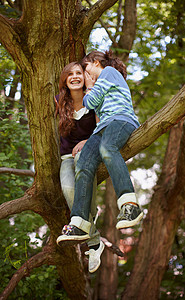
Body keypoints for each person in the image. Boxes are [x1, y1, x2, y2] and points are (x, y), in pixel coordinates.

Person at [57, 50, 143, 244]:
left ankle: (130, 205)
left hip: (121, 120)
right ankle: (79, 222)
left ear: (95, 63)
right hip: (103, 128)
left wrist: (89, 86)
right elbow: (92, 104)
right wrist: (91, 88)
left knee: (107, 149)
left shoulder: (108, 72)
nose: (86, 74)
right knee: (83, 164)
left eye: (85, 68)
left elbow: (90, 101)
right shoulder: (99, 83)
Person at [55, 62, 104, 273]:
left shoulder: (92, 99)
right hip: (66, 156)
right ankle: (94, 239)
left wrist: (87, 142)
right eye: (70, 74)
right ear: (65, 80)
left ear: (84, 77)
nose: (75, 77)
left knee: (80, 160)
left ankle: (88, 235)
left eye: (79, 73)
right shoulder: (59, 101)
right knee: (67, 188)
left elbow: (103, 126)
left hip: (90, 151)